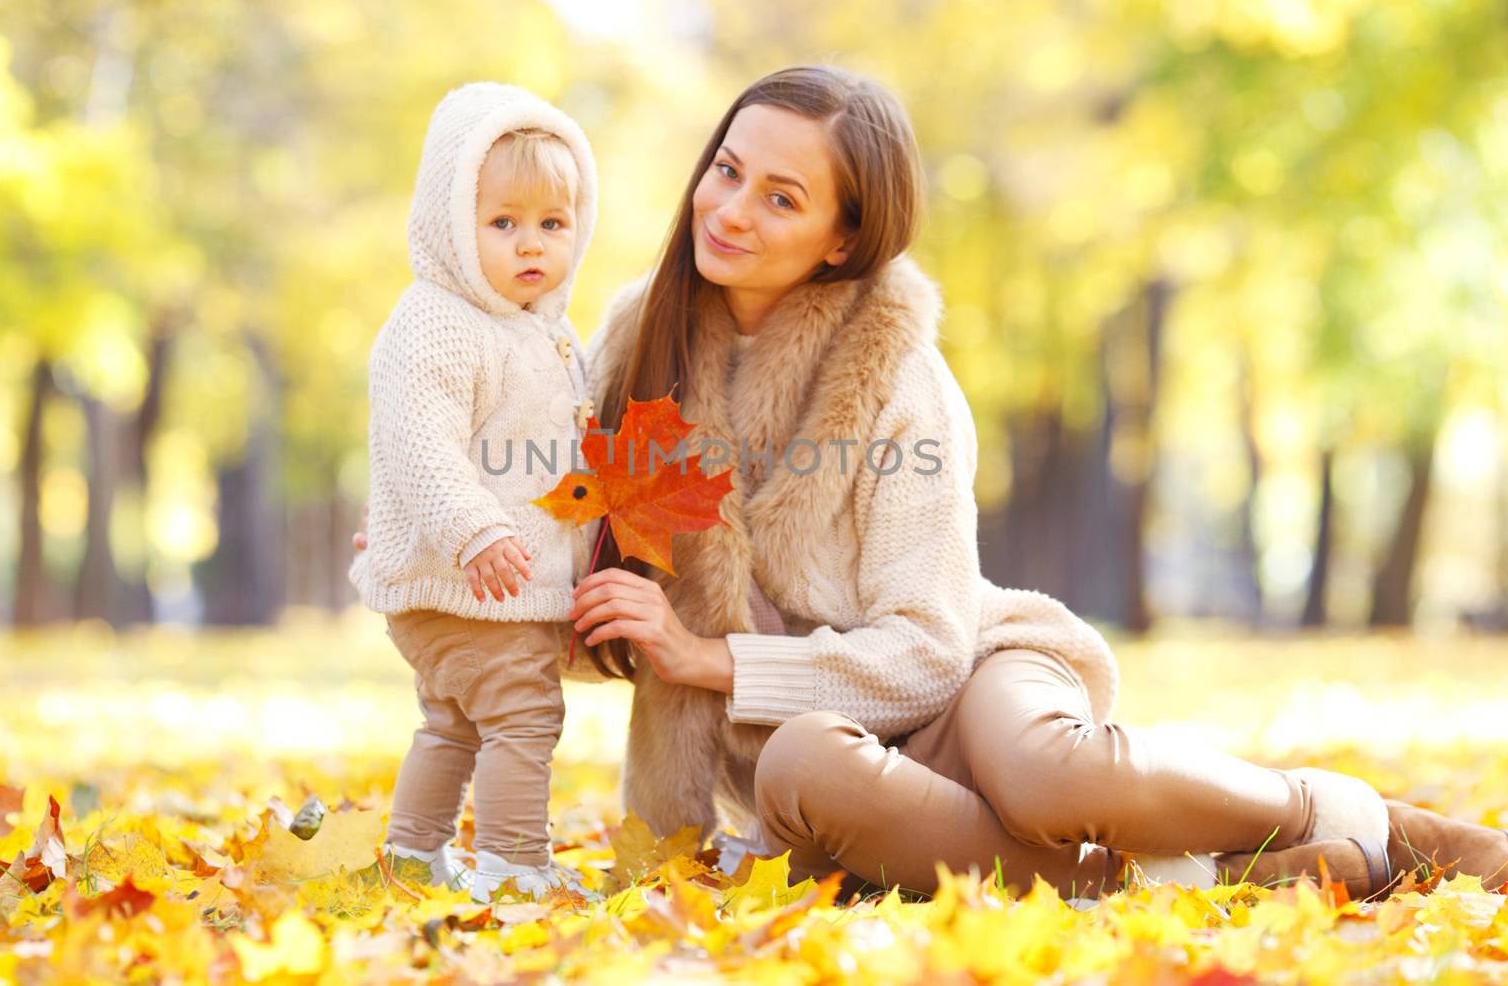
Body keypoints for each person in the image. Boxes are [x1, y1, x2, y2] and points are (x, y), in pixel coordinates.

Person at [360, 66, 1508, 903]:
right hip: (829, 768)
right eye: (727, 169)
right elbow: (548, 505)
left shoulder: (896, 373)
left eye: (779, 198)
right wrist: (485, 568)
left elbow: (924, 646)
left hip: (965, 684)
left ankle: (1338, 815)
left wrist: (713, 658)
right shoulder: (623, 345)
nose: (727, 209)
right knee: (808, 751)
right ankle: (1190, 877)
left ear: (844, 240)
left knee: (1052, 774)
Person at [348, 81, 600, 902]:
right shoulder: (439, 319)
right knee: (524, 717)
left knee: (453, 722)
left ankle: (413, 854)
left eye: (552, 225)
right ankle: (515, 864)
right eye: (503, 223)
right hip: (474, 577)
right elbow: (419, 441)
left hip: (487, 582)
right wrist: (470, 528)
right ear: (453, 223)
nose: (531, 245)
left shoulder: (542, 331)